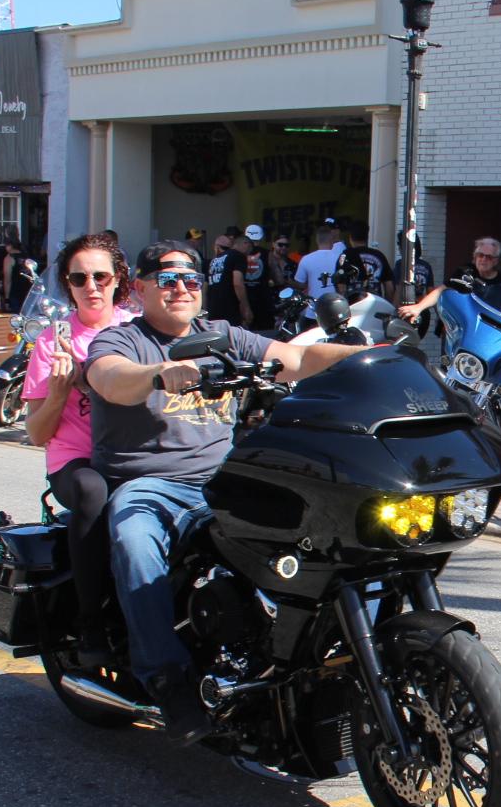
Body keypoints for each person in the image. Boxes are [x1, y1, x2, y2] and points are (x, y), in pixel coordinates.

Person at [83, 240, 370, 744]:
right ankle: (167, 678)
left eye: (190, 279)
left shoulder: (222, 336)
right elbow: (110, 379)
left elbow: (299, 357)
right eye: (166, 279)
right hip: (149, 485)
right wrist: (159, 374)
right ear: (141, 288)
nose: (180, 288)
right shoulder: (122, 340)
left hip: (223, 480)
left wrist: (373, 357)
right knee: (133, 538)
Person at [21, 232, 130, 663]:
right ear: (67, 284)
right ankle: (91, 623)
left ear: (118, 279)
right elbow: (37, 433)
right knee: (91, 490)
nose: (92, 286)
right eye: (79, 278)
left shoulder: (136, 331)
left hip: (133, 454)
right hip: (77, 460)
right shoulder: (53, 341)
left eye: (101, 276)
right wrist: (59, 392)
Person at [398, 237, 501, 322]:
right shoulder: (465, 272)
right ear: (475, 257)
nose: (483, 259)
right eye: (480, 255)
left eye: (489, 257)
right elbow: (441, 290)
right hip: (461, 325)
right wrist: (418, 308)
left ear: (496, 260)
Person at [205, 233, 252, 328]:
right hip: (230, 309)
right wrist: (246, 308)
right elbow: (237, 283)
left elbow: (205, 287)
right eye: (250, 248)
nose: (249, 252)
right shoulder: (238, 256)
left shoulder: (214, 260)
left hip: (213, 310)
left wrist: (206, 309)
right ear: (245, 244)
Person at [294, 218, 345, 298]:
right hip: (336, 302)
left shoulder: (306, 259)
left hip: (317, 303)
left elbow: (300, 283)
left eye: (330, 229)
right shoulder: (341, 258)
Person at [241, 223, 276, 330]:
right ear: (261, 237)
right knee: (265, 332)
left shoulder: (238, 254)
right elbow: (277, 277)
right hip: (263, 299)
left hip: (244, 298)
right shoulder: (268, 254)